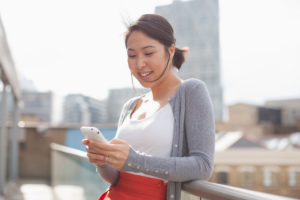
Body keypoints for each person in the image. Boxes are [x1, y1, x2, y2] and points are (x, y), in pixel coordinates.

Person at [82, 14, 215, 200]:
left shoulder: (191, 91)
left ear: (170, 50)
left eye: (149, 53)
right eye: (132, 55)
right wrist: (103, 161)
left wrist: (134, 161)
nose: (139, 63)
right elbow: (115, 178)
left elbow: (203, 166)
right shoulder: (131, 106)